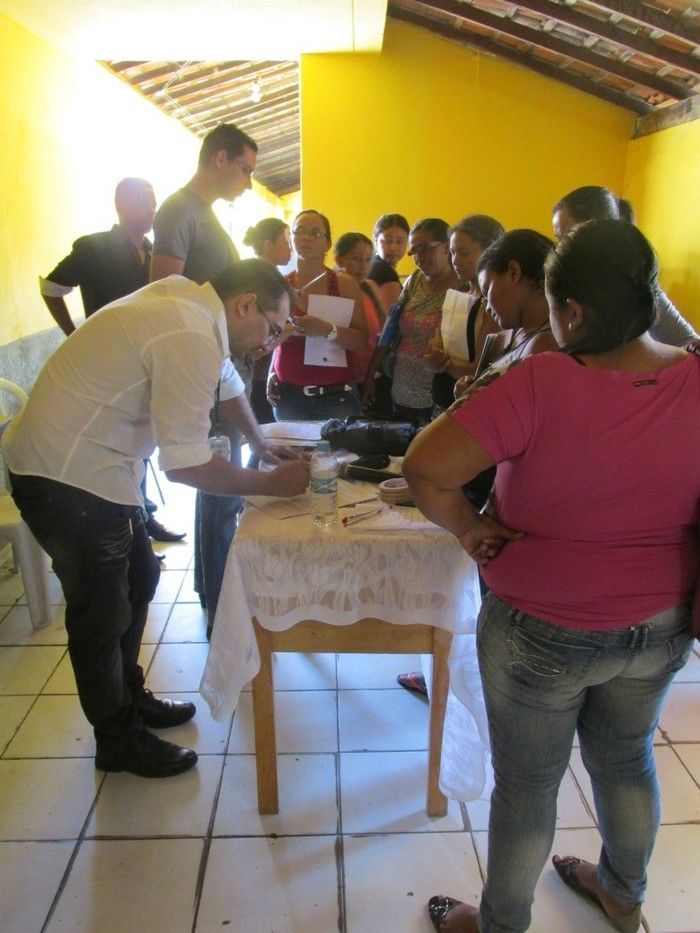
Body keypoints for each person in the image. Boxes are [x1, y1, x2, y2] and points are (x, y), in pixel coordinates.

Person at [403, 220, 699, 933]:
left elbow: (424, 467)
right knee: (628, 759)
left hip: (540, 624)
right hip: (661, 620)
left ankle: (503, 923)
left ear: (568, 311)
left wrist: (472, 530)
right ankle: (623, 894)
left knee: (531, 784)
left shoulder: (542, 380)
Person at [3, 259, 310, 780]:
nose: (271, 344)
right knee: (101, 612)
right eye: (273, 329)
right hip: (65, 475)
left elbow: (230, 382)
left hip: (98, 467)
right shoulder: (188, 331)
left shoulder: (190, 300)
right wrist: (269, 483)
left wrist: (262, 446)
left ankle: (128, 698)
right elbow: (186, 463)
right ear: (244, 305)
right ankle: (116, 739)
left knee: (140, 577)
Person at [398, 228, 557, 699]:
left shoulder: (547, 349)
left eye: (488, 291)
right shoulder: (522, 338)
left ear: (515, 273)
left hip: (522, 503)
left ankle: (493, 695)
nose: (485, 304)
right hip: (496, 491)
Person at [151, 124, 285, 633]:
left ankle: (223, 590)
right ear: (220, 158)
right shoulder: (179, 210)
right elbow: (167, 295)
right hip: (199, 366)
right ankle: (217, 599)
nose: (249, 183)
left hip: (221, 368)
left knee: (223, 487)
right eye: (246, 170)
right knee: (216, 482)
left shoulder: (204, 216)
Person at [39, 177, 183, 545]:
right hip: (106, 364)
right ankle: (122, 521)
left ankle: (142, 518)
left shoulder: (156, 252)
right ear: (120, 205)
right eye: (141, 203)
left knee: (140, 438)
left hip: (146, 359)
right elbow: (52, 287)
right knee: (111, 439)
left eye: (153, 203)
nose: (151, 211)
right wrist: (74, 333)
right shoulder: (94, 248)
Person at [552, 185, 698, 347]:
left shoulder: (636, 286)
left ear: (597, 231)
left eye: (566, 236)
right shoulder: (561, 283)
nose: (558, 247)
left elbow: (687, 341)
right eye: (557, 238)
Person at [267, 210, 368, 421]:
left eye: (316, 233)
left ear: (328, 244)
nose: (306, 238)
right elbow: (266, 340)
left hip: (336, 397)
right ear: (291, 238)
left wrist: (326, 330)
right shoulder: (279, 285)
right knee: (293, 454)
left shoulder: (344, 284)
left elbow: (360, 340)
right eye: (300, 231)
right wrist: (272, 369)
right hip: (289, 397)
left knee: (338, 454)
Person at [362, 218, 458, 422]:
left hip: (439, 395)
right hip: (402, 389)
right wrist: (370, 376)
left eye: (425, 249)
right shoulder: (414, 280)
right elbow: (389, 330)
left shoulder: (463, 286)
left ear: (446, 246)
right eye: (414, 252)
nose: (419, 257)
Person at [423, 215, 504, 412]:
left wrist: (443, 362)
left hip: (473, 405)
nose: (455, 261)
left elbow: (481, 369)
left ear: (490, 251)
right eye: (451, 253)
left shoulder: (495, 302)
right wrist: (433, 361)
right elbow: (435, 348)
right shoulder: (458, 294)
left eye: (464, 253)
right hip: (442, 402)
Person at [242, 217, 293, 424]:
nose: (291, 248)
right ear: (267, 244)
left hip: (262, 366)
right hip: (253, 366)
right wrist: (292, 328)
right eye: (285, 242)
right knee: (262, 431)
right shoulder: (256, 277)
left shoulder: (273, 276)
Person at [334, 231, 386, 385]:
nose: (363, 266)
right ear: (339, 259)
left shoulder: (370, 287)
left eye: (368, 259)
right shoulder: (330, 290)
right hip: (340, 380)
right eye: (356, 259)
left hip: (373, 375)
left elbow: (384, 333)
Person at [367, 212, 410, 308]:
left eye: (399, 241)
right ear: (375, 241)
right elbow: (390, 319)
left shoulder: (371, 265)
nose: (393, 247)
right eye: (388, 240)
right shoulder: (382, 270)